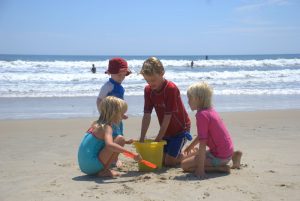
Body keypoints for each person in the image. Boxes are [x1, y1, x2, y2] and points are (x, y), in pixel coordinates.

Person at [181, 82, 242, 178]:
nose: (188, 101)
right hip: (226, 151)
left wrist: (200, 169)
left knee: (185, 165)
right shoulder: (210, 111)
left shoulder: (202, 115)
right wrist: (191, 146)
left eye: (190, 98)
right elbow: (203, 135)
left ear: (198, 99)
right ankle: (234, 156)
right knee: (188, 157)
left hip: (219, 157)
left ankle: (222, 168)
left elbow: (203, 143)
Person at [139, 57, 192, 167]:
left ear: (162, 73)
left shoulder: (171, 89)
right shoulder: (148, 90)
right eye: (147, 80)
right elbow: (147, 115)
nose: (150, 84)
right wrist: (142, 138)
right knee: (160, 160)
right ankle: (177, 153)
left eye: (153, 80)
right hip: (166, 132)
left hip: (181, 130)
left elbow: (168, 116)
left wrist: (158, 138)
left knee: (169, 162)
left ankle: (192, 153)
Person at [78, 96, 142, 177]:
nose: (124, 116)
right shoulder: (107, 127)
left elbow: (100, 142)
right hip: (93, 165)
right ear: (114, 114)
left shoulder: (95, 125)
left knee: (120, 140)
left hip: (84, 166)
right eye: (122, 113)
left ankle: (102, 169)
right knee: (120, 139)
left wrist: (126, 142)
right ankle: (105, 170)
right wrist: (131, 154)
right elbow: (109, 145)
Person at [96, 57, 132, 167]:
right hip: (108, 119)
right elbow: (99, 100)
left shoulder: (120, 87)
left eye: (123, 75)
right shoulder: (108, 86)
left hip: (117, 118)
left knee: (119, 136)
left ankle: (115, 158)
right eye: (119, 75)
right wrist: (103, 114)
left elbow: (120, 103)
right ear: (111, 73)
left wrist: (121, 114)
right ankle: (110, 159)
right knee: (110, 138)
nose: (121, 78)